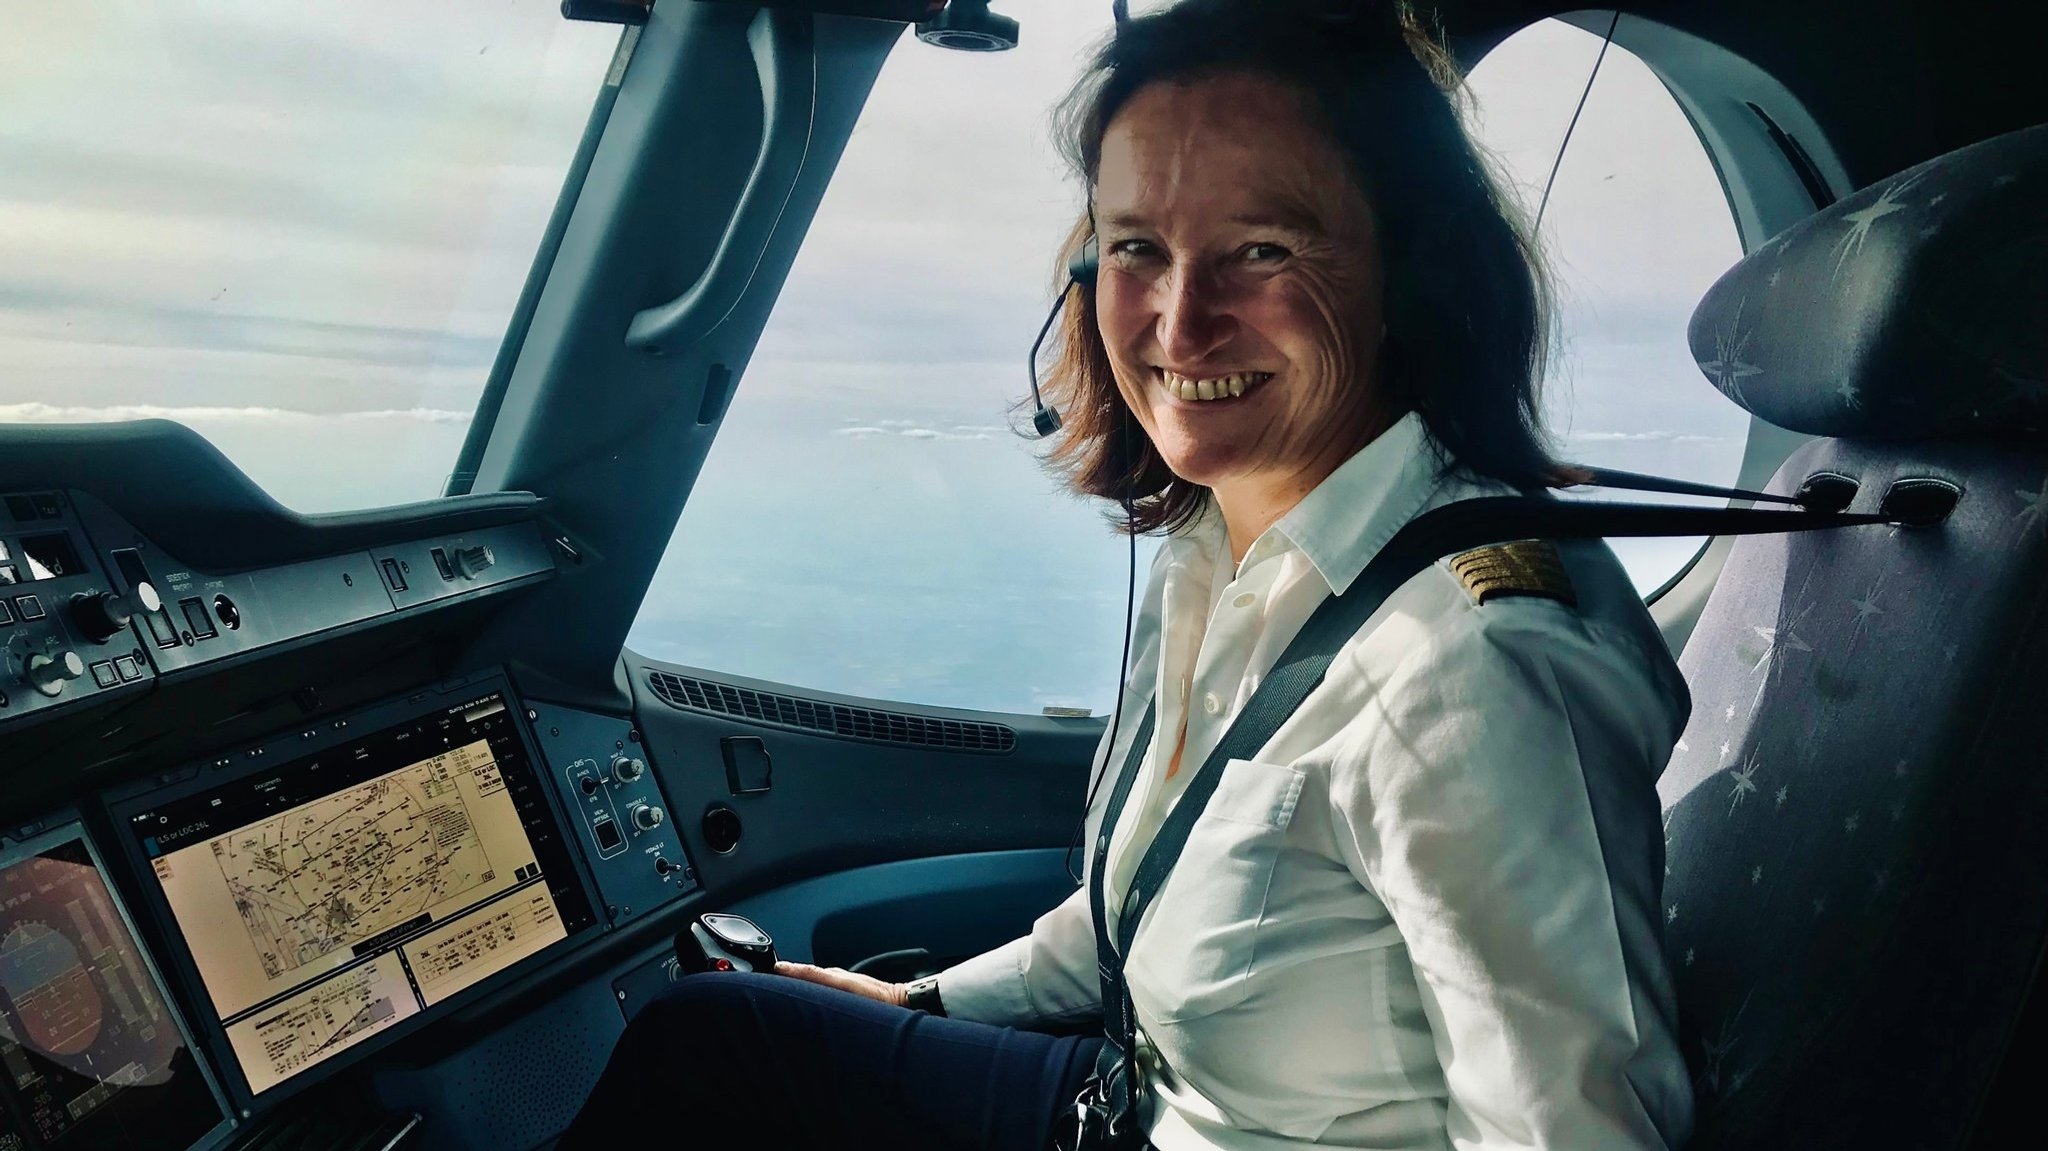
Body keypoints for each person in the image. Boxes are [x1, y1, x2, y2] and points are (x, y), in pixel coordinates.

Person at [558, 1, 1693, 1148]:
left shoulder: (1473, 666)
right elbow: (1133, 911)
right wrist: (923, 1002)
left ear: (1408, 271)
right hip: (1125, 1102)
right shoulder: (1222, 553)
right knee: (711, 1038)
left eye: (1262, 249)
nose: (1180, 323)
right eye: (1139, 248)